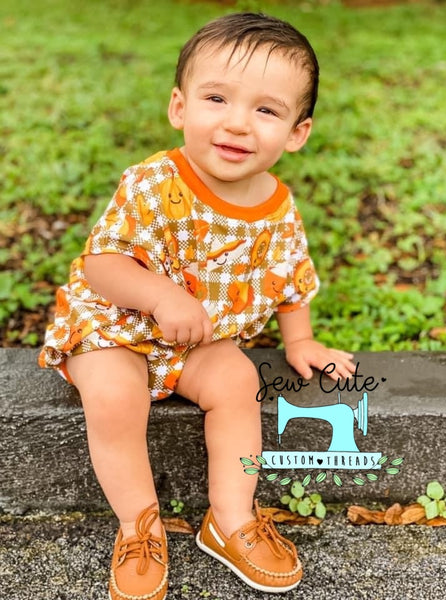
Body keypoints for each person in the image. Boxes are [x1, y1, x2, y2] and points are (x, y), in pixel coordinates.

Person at [39, 11, 356, 600]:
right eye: (217, 98)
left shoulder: (279, 208)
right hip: (114, 328)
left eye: (266, 109)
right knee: (113, 394)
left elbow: (291, 280)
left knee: (238, 382)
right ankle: (140, 525)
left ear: (296, 132)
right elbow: (101, 264)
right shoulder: (152, 183)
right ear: (179, 108)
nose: (238, 124)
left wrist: (301, 341)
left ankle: (230, 518)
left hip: (197, 343)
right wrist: (160, 294)